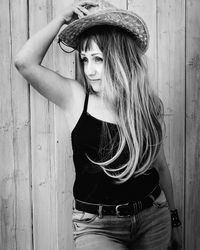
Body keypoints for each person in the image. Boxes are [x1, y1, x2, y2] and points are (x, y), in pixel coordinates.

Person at [14, 1, 182, 249]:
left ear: (119, 57)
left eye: (98, 59)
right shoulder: (76, 98)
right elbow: (24, 63)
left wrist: (173, 218)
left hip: (153, 217)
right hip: (96, 226)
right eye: (84, 59)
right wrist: (61, 18)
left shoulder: (147, 105)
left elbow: (161, 166)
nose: (90, 70)